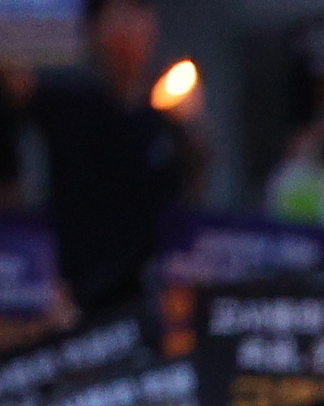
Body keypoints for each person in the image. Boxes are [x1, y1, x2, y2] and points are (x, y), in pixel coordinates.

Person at [26, 0, 205, 311]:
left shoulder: (164, 114)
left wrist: (193, 133)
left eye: (139, 17)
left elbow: (190, 189)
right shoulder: (66, 102)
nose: (130, 32)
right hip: (78, 290)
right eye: (119, 19)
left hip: (149, 294)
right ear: (94, 30)